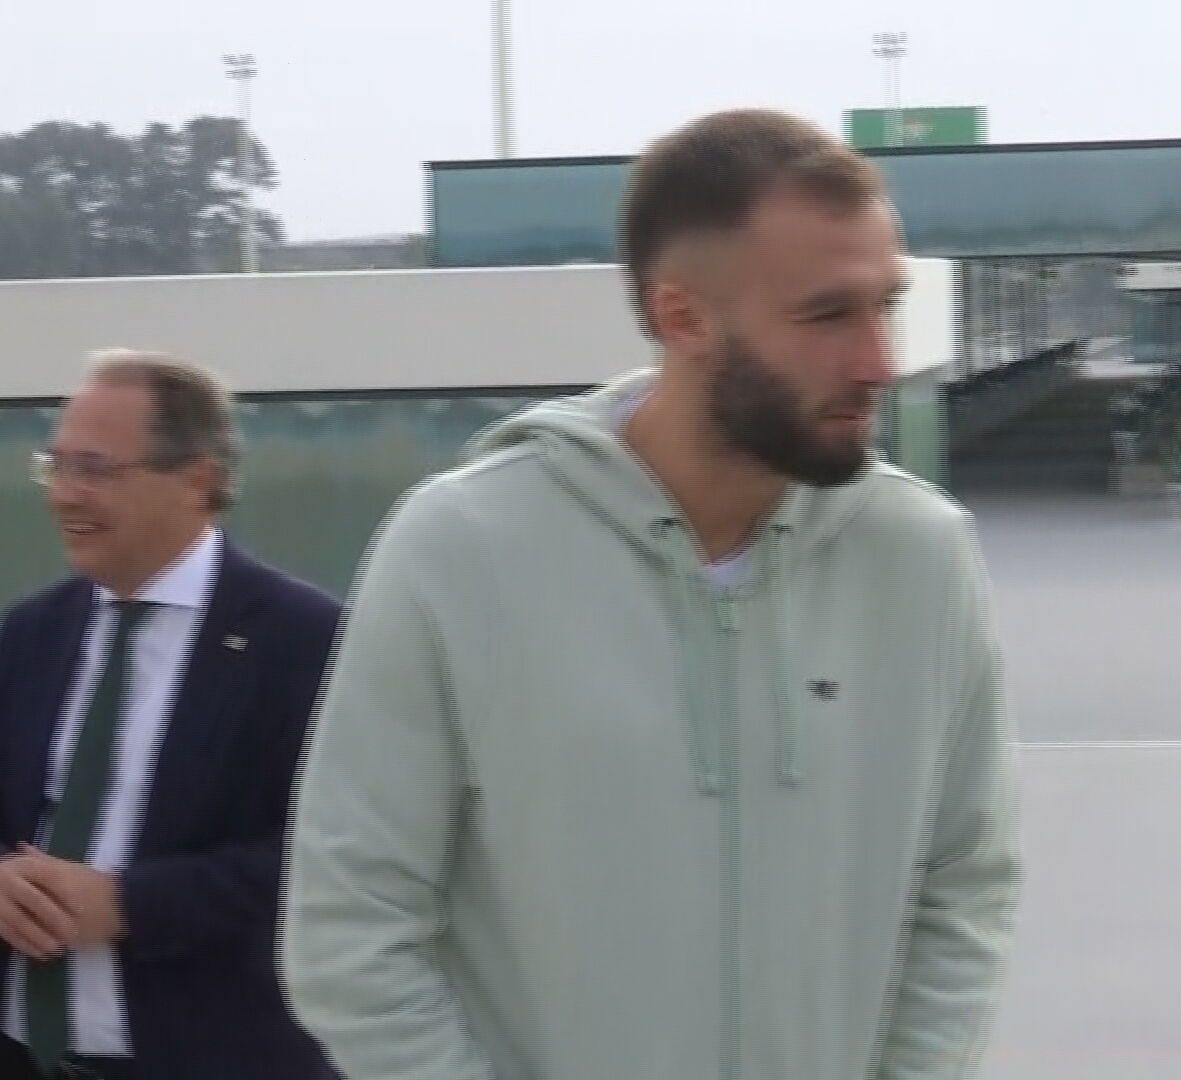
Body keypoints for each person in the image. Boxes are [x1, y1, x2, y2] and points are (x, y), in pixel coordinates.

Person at [281, 108, 1022, 1080]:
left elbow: (965, 890)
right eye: (827, 316)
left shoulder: (923, 557)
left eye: (885, 305)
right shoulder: (461, 550)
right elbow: (349, 927)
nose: (878, 360)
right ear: (684, 318)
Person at [0, 351, 341, 1079]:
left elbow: (335, 855)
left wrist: (132, 903)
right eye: (56, 466)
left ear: (196, 481)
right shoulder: (28, 634)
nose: (64, 495)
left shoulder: (304, 641)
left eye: (95, 469)